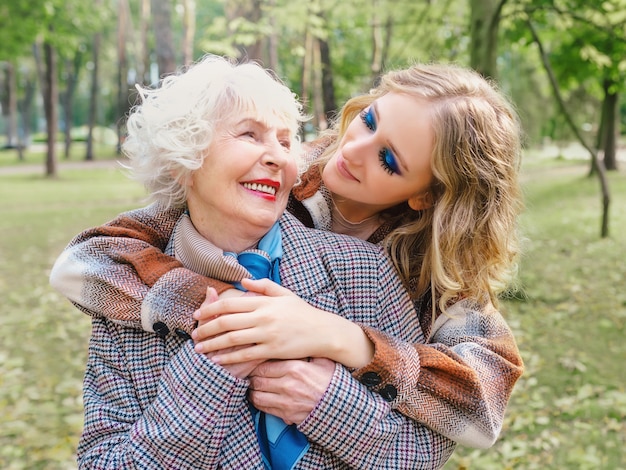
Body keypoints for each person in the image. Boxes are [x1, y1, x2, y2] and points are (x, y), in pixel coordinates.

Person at [50, 59, 524, 452]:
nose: (352, 149)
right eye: (369, 120)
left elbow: (478, 410)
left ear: (425, 194)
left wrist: (348, 341)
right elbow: (83, 264)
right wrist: (231, 316)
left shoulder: (416, 271)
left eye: (388, 160)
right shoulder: (276, 171)